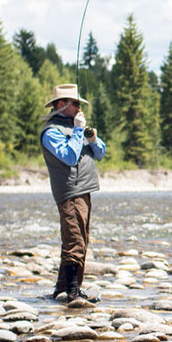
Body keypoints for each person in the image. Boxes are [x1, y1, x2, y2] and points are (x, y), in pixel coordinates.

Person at [40, 83, 108, 304]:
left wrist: (92, 138)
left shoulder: (76, 128)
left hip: (84, 191)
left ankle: (64, 289)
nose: (79, 108)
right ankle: (72, 292)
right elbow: (68, 157)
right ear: (61, 105)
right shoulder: (51, 132)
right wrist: (78, 131)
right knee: (74, 242)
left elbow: (100, 153)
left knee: (82, 240)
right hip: (69, 193)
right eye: (75, 104)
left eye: (79, 104)